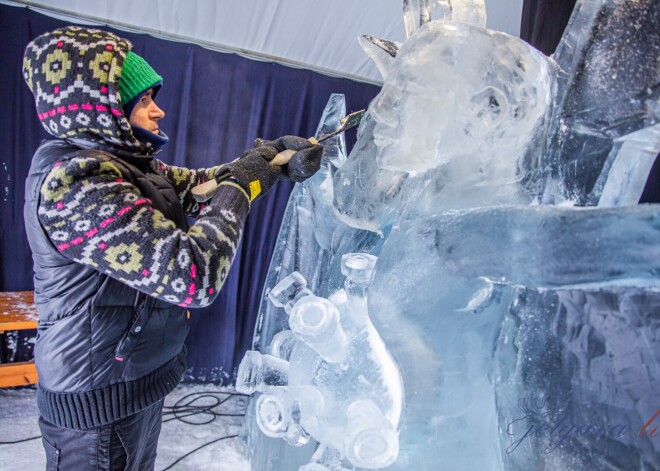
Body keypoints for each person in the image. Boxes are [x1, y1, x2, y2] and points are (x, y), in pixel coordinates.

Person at [22, 25, 322, 470]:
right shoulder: (78, 184)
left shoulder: (127, 166)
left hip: (131, 383)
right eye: (143, 101)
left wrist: (269, 162)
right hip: (97, 409)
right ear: (101, 110)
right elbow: (193, 276)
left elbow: (200, 187)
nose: (158, 111)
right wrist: (240, 187)